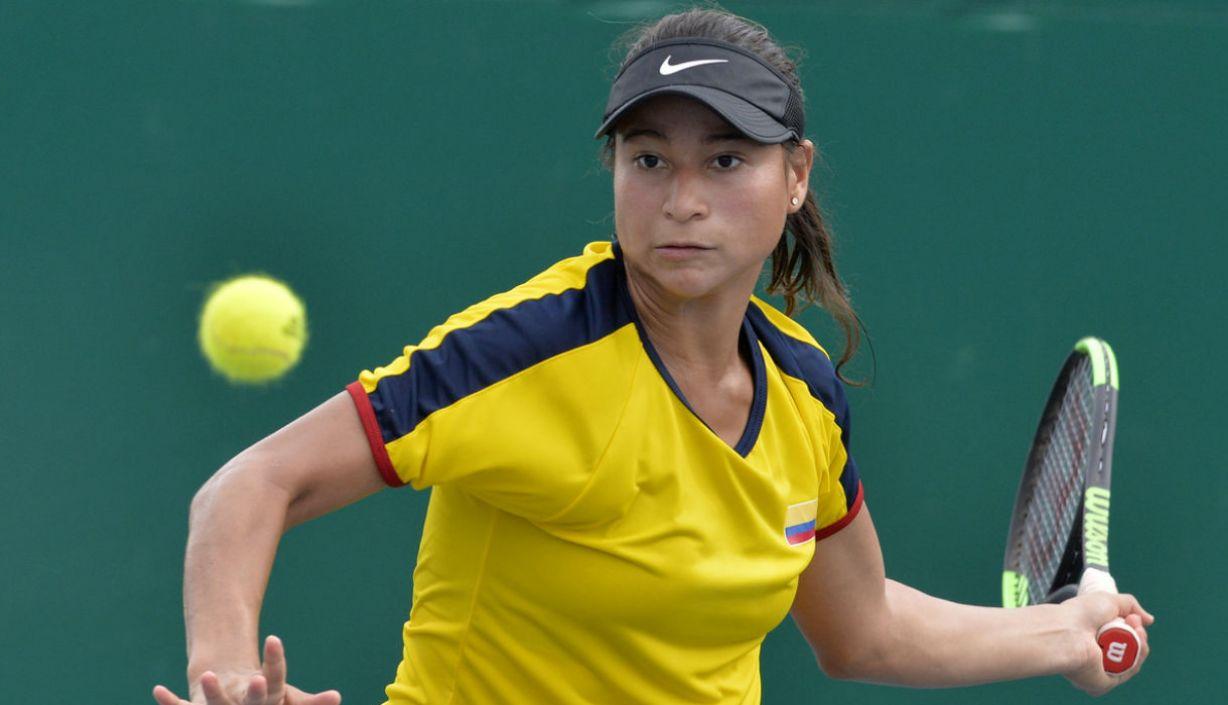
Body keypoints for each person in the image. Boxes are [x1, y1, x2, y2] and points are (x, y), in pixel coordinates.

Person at [153, 7, 1153, 705]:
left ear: (796, 175)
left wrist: (1067, 633)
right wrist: (227, 677)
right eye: (649, 159)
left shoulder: (803, 391)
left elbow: (864, 631)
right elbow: (252, 485)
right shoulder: (527, 349)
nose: (682, 200)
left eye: (726, 160)